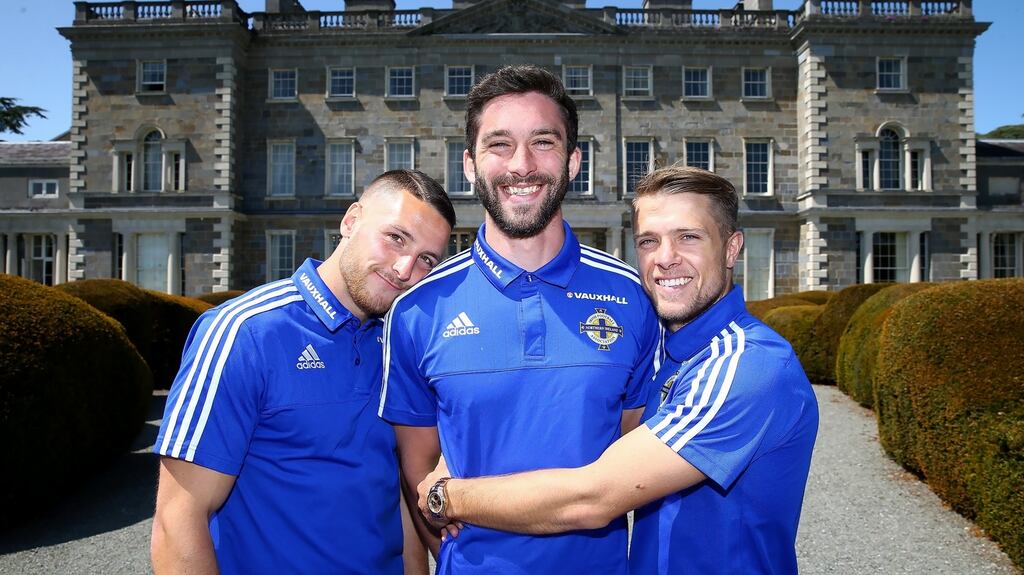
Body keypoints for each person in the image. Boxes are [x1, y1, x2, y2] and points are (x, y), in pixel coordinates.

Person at [416, 165, 820, 575]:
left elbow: (592, 498)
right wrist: (464, 452)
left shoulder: (747, 365)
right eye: (649, 241)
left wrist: (448, 497)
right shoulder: (674, 352)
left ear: (732, 248)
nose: (666, 258)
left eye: (689, 237)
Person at [377, 65, 661, 574]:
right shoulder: (418, 309)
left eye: (544, 142)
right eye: (499, 144)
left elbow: (629, 454)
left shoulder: (633, 298)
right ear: (469, 164)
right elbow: (418, 473)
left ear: (574, 161)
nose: (522, 165)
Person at [150, 170, 455, 575]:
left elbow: (394, 495)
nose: (404, 268)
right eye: (396, 238)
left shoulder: (398, 344)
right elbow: (178, 520)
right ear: (351, 220)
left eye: (426, 260)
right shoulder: (246, 332)